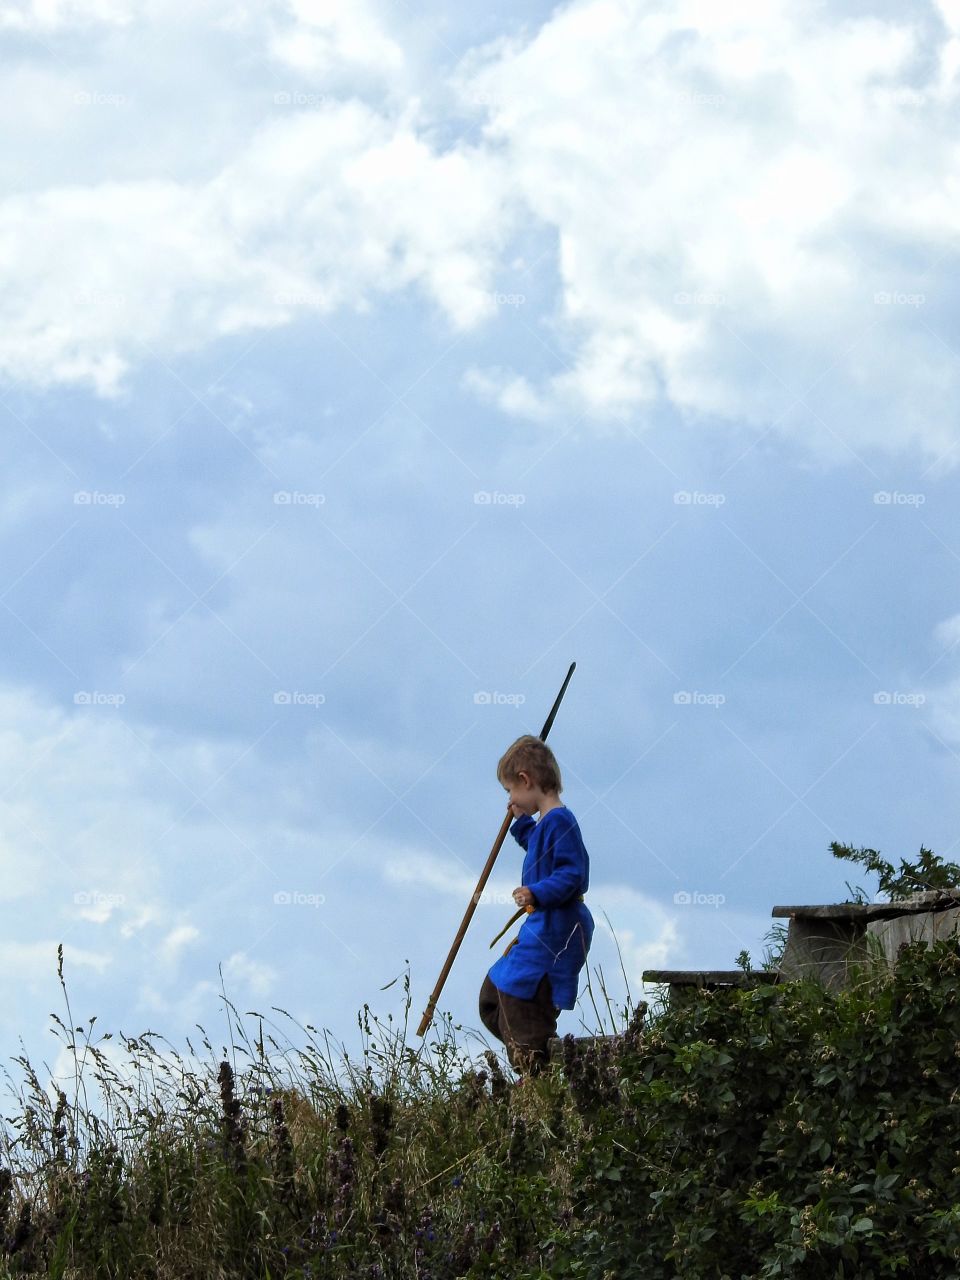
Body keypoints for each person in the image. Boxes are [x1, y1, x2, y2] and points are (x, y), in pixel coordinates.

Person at [479, 734, 594, 1074]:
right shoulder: (547, 824)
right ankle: (533, 1062)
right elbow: (538, 846)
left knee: (520, 994)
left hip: (557, 929)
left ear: (525, 780)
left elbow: (574, 873)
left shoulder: (561, 819)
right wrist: (521, 822)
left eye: (510, 790)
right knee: (493, 997)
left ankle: (536, 1072)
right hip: (542, 926)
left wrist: (536, 893)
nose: (510, 798)